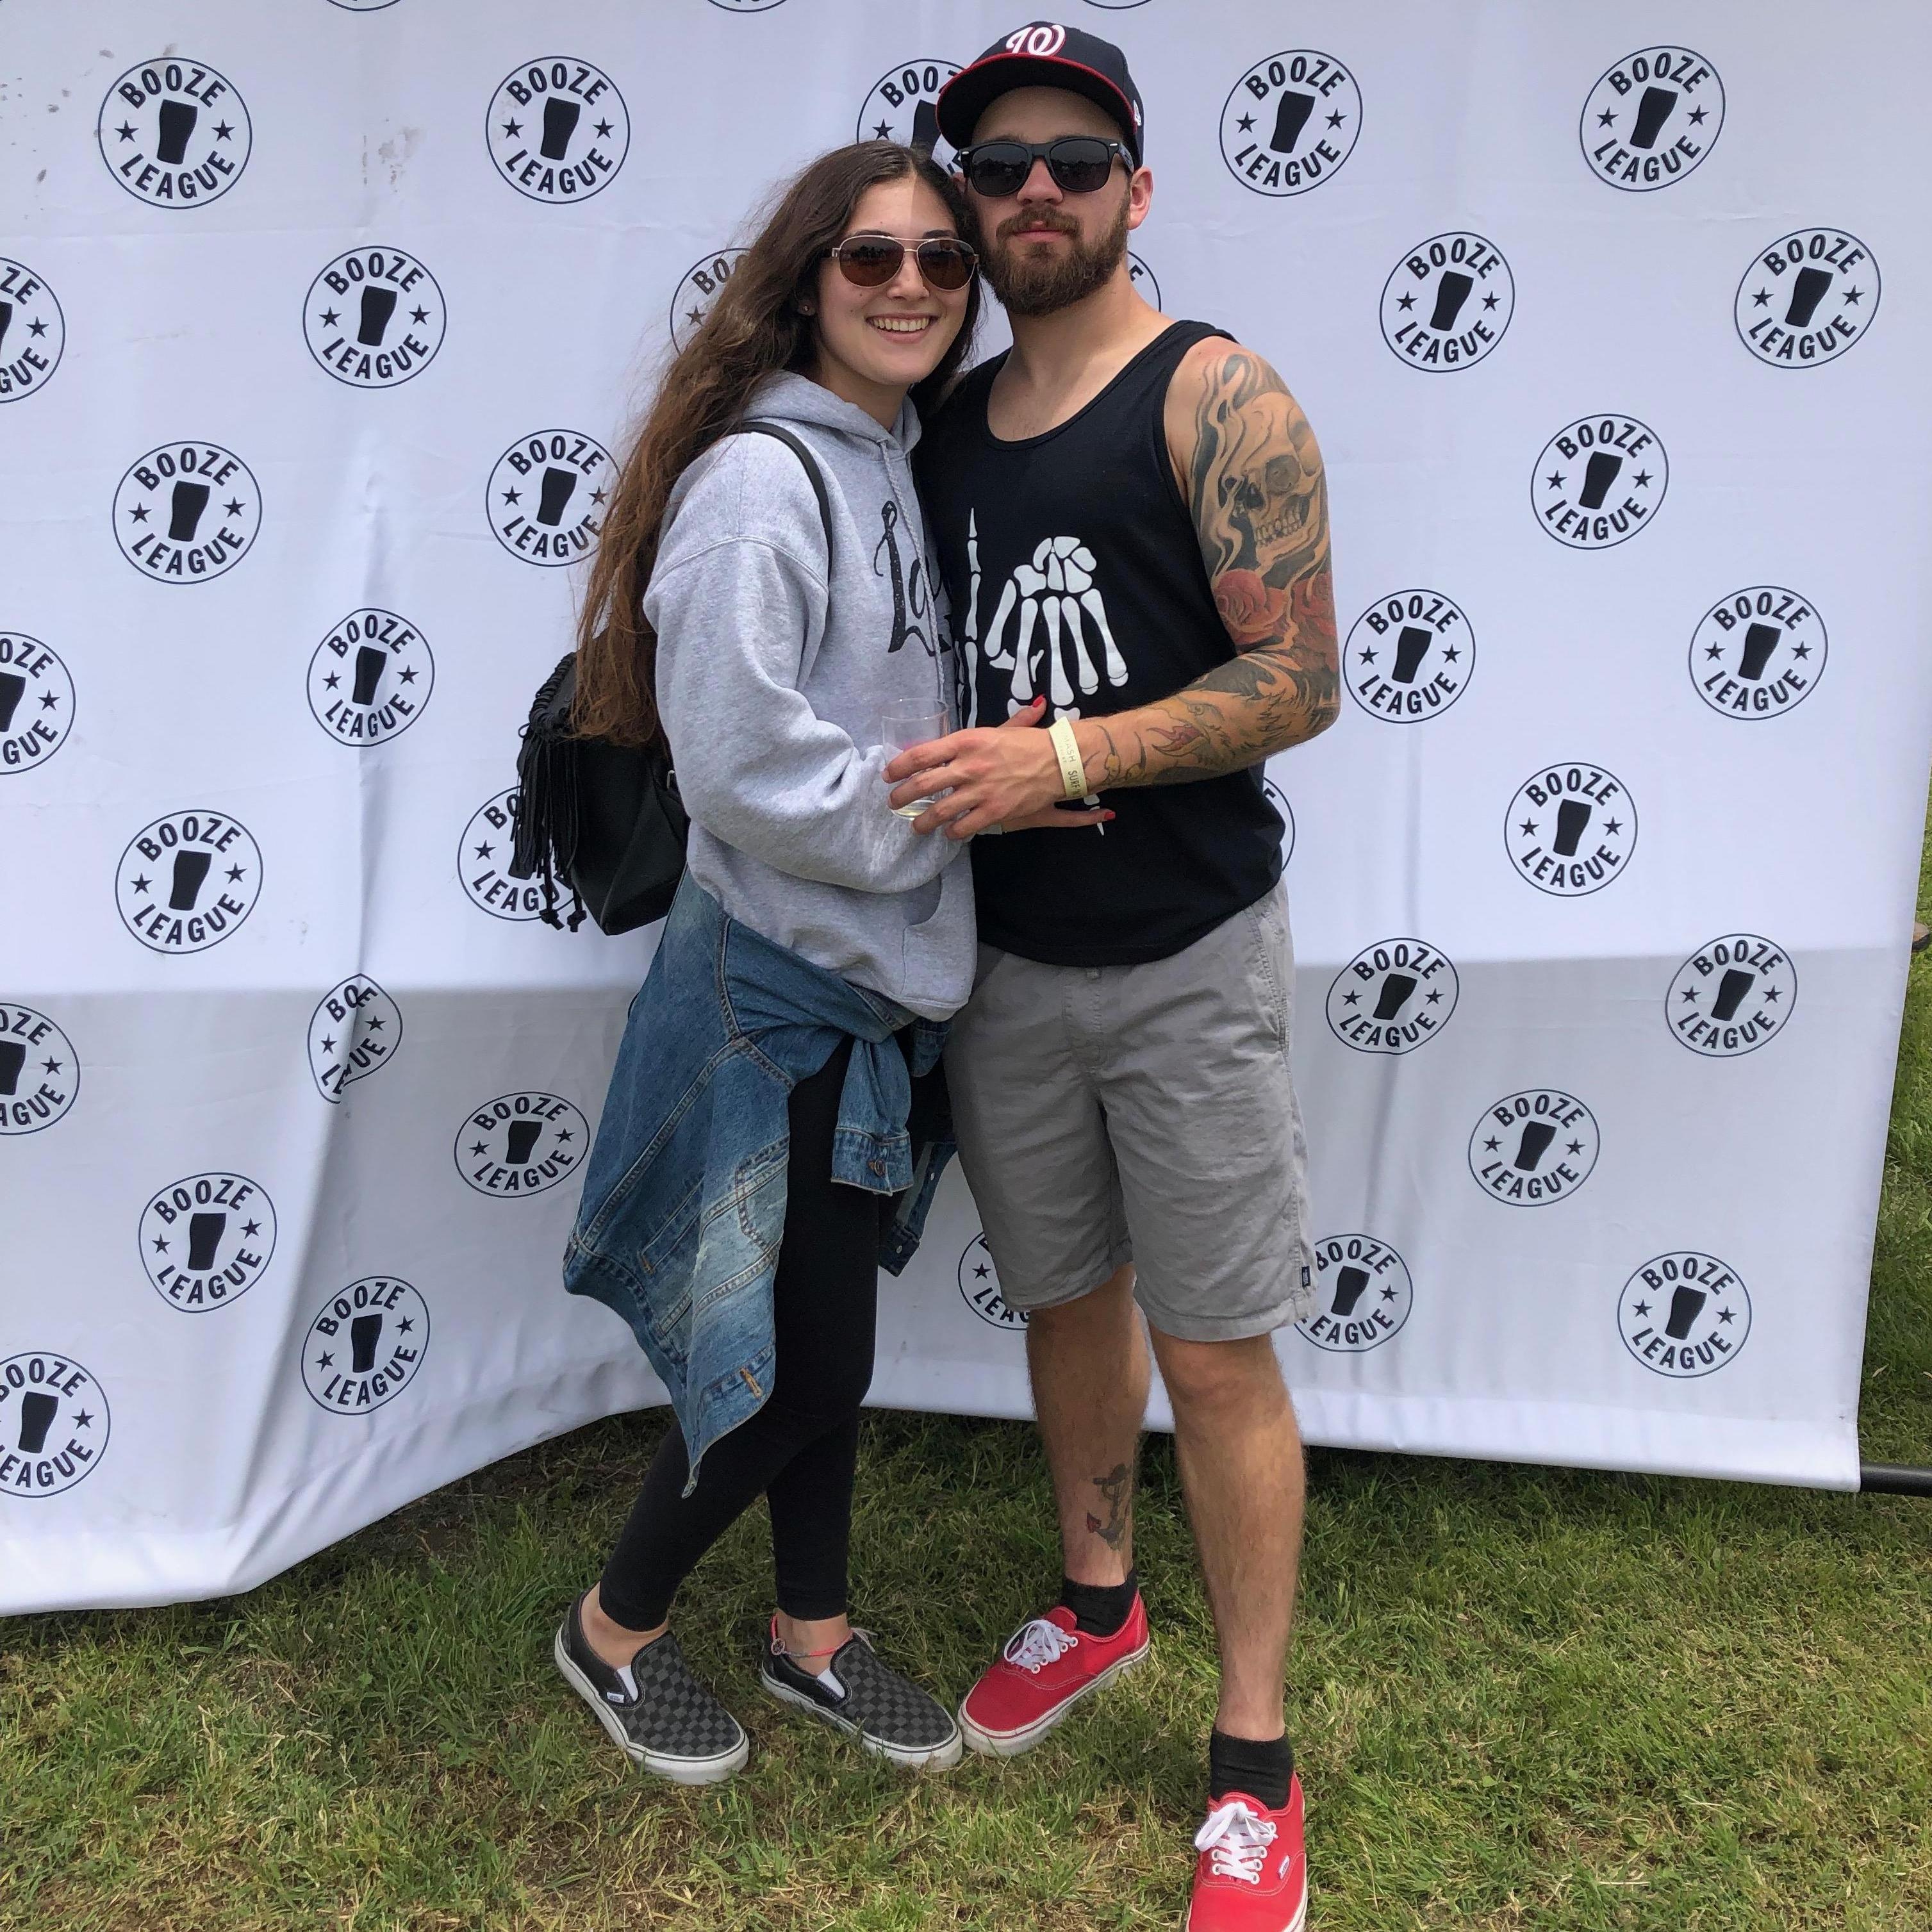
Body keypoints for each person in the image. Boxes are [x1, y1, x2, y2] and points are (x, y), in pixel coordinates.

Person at [550, 139, 1106, 1785]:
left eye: (942, 258)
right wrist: (961, 814)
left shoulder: (894, 458)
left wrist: (988, 761)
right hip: (776, 990)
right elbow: (738, 766)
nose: (912, 284)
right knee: (800, 1363)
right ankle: (611, 1628)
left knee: (818, 1338)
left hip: (864, 985)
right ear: (805, 282)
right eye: (870, 257)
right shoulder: (758, 485)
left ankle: (812, 1632)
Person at [889, 26, 1340, 1929]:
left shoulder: (1214, 394)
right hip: (1004, 962)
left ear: (1135, 188)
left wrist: (1066, 755)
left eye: (1074, 161)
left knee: (1216, 1348)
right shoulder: (940, 426)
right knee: (1066, 1299)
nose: (1034, 193)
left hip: (1184, 958)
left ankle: (1255, 1764)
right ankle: (1096, 1603)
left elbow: (1300, 678)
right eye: (997, 165)